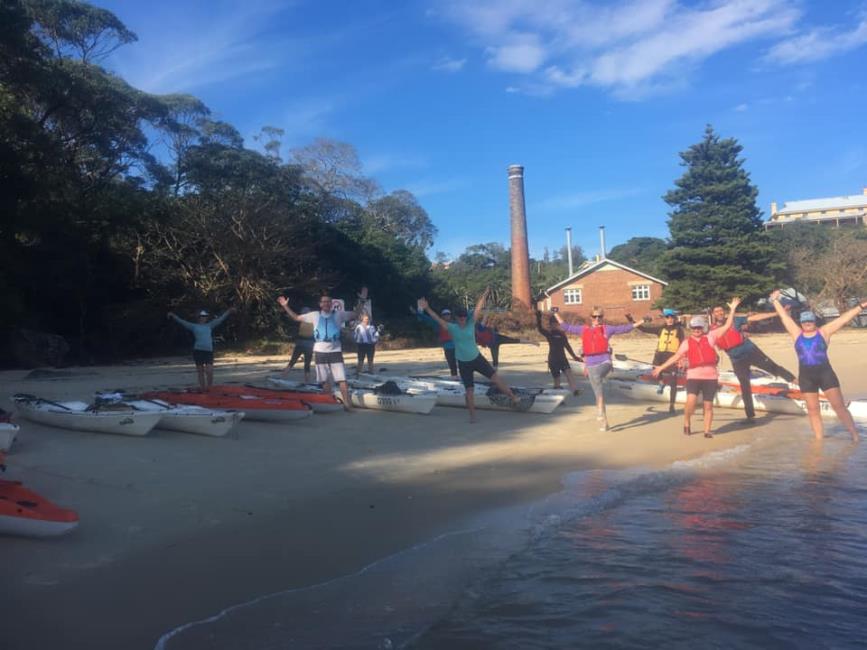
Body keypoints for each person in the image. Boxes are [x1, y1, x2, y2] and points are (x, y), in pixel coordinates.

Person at [769, 290, 865, 441]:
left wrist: (861, 306)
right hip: (806, 377)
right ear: (801, 323)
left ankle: (855, 435)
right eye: (804, 322)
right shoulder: (796, 334)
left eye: (810, 321)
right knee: (813, 410)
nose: (807, 324)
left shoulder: (824, 332)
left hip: (825, 374)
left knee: (839, 407)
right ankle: (819, 439)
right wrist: (775, 301)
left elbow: (844, 319)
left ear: (814, 322)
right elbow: (784, 317)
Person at [418, 288, 520, 423]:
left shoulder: (471, 323)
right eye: (460, 317)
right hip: (463, 363)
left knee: (496, 378)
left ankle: (513, 398)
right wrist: (427, 308)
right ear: (456, 318)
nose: (462, 319)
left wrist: (484, 295)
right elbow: (437, 319)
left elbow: (478, 308)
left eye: (464, 316)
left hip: (477, 359)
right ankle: (473, 416)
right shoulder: (452, 327)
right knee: (470, 391)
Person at [652, 298, 741, 439]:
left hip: (710, 376)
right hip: (694, 376)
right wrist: (660, 368)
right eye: (694, 328)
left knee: (708, 405)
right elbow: (675, 357)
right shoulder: (687, 343)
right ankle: (687, 421)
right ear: (691, 329)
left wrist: (733, 309)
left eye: (699, 328)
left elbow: (727, 325)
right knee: (691, 402)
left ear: (703, 328)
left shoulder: (711, 337)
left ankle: (707, 431)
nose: (697, 330)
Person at [277, 288, 368, 411]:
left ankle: (347, 405)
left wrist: (362, 300)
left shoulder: (339, 314)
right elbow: (296, 317)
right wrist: (285, 306)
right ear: (320, 304)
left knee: (342, 379)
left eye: (328, 302)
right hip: (320, 351)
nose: (326, 304)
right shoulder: (314, 315)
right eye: (324, 302)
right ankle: (328, 402)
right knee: (324, 380)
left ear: (332, 304)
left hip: (335, 351)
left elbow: (356, 314)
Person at [709, 301, 796, 421]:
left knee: (774, 368)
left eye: (721, 310)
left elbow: (755, 318)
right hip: (736, 359)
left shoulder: (735, 320)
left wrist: (777, 312)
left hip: (750, 351)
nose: (719, 313)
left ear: (724, 312)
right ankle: (750, 416)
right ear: (713, 314)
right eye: (716, 311)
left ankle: (799, 383)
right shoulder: (712, 330)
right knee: (744, 385)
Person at [554, 307, 637, 431]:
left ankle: (599, 412)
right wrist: (555, 313)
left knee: (597, 377)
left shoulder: (607, 329)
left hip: (605, 362)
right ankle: (604, 421)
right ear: (591, 317)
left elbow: (625, 328)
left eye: (599, 316)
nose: (597, 319)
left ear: (602, 317)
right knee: (598, 393)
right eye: (594, 316)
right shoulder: (583, 329)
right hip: (591, 364)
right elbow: (566, 327)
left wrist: (641, 322)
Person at [167, 307, 234, 392]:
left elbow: (220, 319)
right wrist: (173, 315)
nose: (204, 318)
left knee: (209, 370)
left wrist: (228, 311)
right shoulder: (194, 326)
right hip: (198, 351)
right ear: (198, 317)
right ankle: (203, 388)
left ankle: (209, 388)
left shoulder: (210, 325)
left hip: (208, 351)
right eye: (202, 316)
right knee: (200, 371)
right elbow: (182, 322)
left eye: (205, 316)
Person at [637, 308, 685, 414]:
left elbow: (683, 345)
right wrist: (630, 319)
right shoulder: (660, 329)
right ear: (665, 319)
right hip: (660, 356)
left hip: (672, 357)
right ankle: (661, 382)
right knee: (655, 370)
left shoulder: (679, 330)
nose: (670, 319)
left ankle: (671, 405)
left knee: (673, 382)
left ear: (674, 318)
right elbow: (643, 329)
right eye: (667, 317)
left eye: (671, 317)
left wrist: (681, 359)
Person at [535, 309, 581, 395]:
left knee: (569, 373)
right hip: (553, 359)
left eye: (556, 324)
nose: (555, 325)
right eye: (553, 324)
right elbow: (540, 329)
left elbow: (567, 346)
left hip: (562, 358)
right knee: (557, 380)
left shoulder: (562, 335)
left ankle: (575, 390)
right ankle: (556, 393)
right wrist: (538, 317)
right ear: (550, 325)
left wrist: (574, 356)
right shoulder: (549, 333)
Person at [413, 304, 458, 377]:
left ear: (450, 315)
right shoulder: (438, 324)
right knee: (452, 364)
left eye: (448, 314)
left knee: (463, 363)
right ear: (442, 316)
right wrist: (418, 313)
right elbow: (427, 319)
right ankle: (455, 377)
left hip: (458, 347)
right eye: (445, 314)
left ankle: (464, 377)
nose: (447, 316)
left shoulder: (455, 323)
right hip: (448, 348)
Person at [284, 307, 313, 382]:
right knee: (307, 364)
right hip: (309, 344)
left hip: (301, 343)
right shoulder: (313, 320)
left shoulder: (302, 319)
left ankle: (282, 376)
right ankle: (307, 381)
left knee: (292, 361)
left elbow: (294, 318)